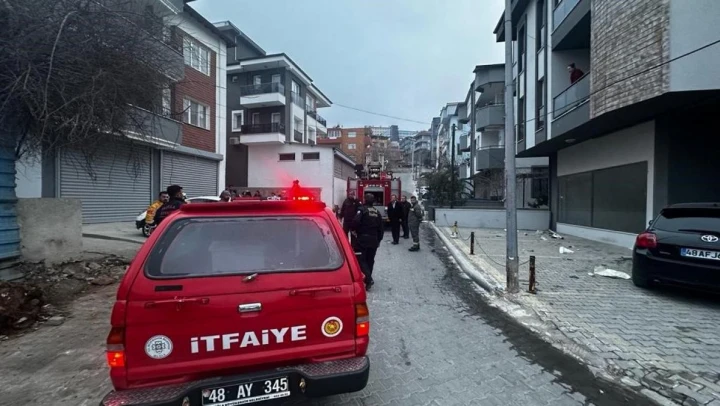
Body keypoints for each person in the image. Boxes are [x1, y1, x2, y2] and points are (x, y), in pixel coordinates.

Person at [352, 193, 384, 289]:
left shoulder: (362, 210)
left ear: (365, 200)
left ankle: (368, 279)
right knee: (370, 259)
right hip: (374, 239)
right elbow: (381, 228)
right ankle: (368, 279)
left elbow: (356, 221)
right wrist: (378, 240)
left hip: (363, 239)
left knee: (360, 259)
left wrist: (354, 230)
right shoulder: (377, 212)